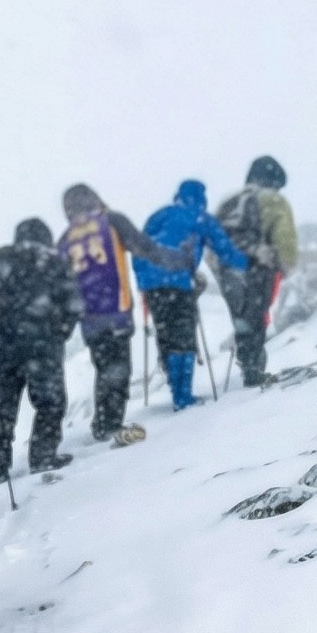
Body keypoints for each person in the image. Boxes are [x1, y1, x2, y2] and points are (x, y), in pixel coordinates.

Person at [57, 184, 187, 444]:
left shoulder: (66, 239)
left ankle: (105, 422)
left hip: (89, 317)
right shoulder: (111, 221)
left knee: (105, 367)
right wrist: (179, 260)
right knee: (117, 370)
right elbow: (145, 248)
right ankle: (108, 426)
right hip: (116, 310)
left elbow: (61, 283)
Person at [0, 218, 82, 480]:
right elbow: (72, 303)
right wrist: (60, 332)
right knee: (50, 402)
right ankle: (43, 456)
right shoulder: (54, 261)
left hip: (4, 347)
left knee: (4, 403)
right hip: (42, 346)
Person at [132, 180, 251, 409]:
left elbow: (138, 248)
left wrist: (142, 283)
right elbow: (224, 250)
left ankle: (175, 388)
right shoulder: (199, 217)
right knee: (184, 339)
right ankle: (182, 397)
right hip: (178, 282)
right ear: (201, 198)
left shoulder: (160, 215)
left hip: (154, 287)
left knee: (166, 336)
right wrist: (249, 265)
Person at [215, 155, 300, 385]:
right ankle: (254, 372)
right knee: (257, 318)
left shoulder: (228, 202)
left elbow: (212, 238)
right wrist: (286, 264)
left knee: (242, 319)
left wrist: (220, 271)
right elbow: (285, 240)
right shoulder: (274, 201)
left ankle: (248, 364)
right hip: (258, 267)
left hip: (228, 271)